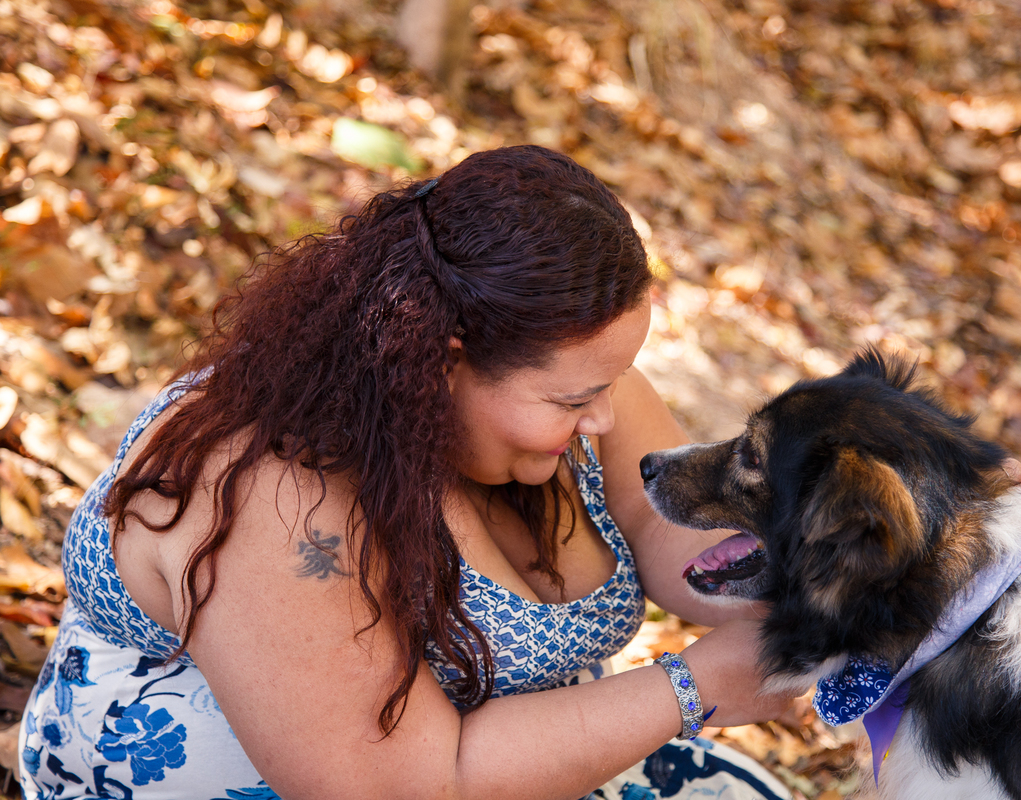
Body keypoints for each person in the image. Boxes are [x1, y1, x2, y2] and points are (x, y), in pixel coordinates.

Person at [19, 145, 800, 800]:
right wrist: (692, 686)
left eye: (613, 381)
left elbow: (672, 537)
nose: (604, 417)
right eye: (574, 398)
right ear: (439, 364)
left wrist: (823, 586)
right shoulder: (275, 489)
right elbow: (400, 784)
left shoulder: (578, 392)